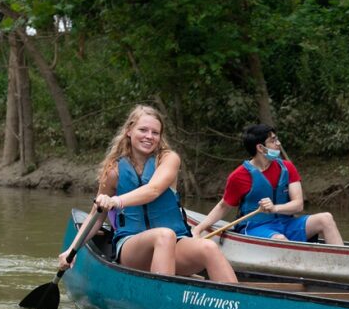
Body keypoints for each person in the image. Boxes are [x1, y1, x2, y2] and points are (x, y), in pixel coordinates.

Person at [57, 104, 237, 282]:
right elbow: (96, 217)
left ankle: (238, 306)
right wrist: (71, 250)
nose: (149, 136)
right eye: (143, 130)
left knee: (208, 247)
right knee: (164, 235)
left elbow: (154, 190)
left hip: (176, 242)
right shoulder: (114, 171)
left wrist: (116, 201)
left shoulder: (168, 159)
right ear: (129, 130)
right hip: (132, 247)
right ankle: (161, 300)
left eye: (155, 133)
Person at [190, 124, 343, 245]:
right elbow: (223, 206)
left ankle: (342, 264)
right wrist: (198, 230)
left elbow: (298, 205)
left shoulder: (287, 167)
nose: (278, 143)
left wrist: (275, 208)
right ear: (260, 147)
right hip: (256, 228)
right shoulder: (239, 176)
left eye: (277, 139)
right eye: (273, 140)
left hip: (287, 223)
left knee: (326, 218)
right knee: (280, 239)